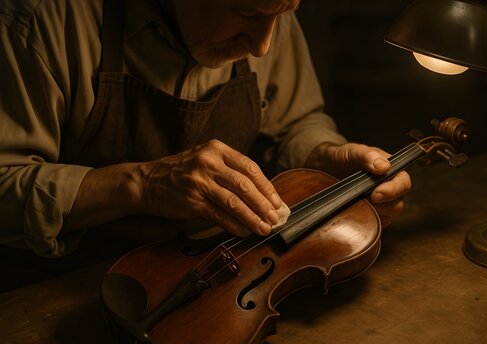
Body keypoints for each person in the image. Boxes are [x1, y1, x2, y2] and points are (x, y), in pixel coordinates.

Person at [0, 0, 411, 265]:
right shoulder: (44, 19)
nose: (263, 46)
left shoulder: (270, 11)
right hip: (60, 285)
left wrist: (325, 159)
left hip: (214, 275)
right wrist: (140, 183)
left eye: (281, 14)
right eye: (247, 14)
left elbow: (296, 124)